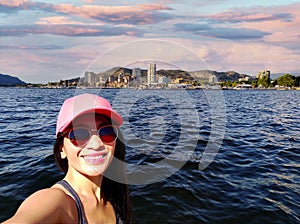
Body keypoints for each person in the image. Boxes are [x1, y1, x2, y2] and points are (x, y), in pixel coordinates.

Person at [3, 93, 133, 224]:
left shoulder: (115, 196)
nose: (96, 144)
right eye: (79, 133)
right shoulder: (56, 201)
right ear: (61, 149)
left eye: (107, 132)